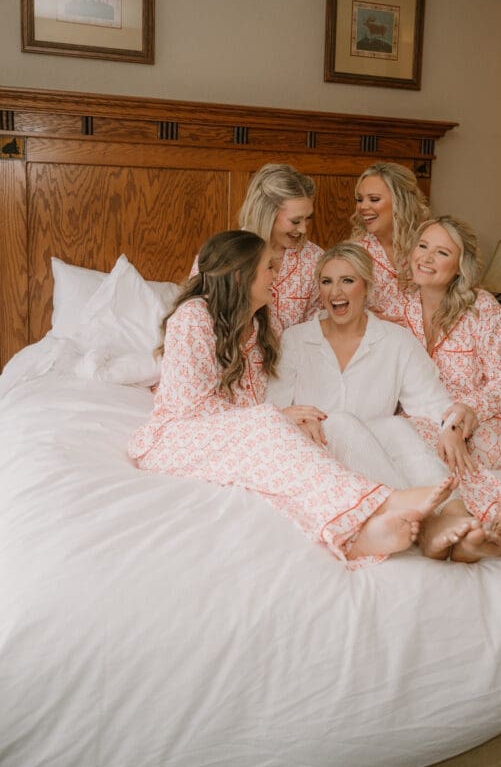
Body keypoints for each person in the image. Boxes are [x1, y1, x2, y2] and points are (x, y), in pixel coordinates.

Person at [128, 230, 455, 568]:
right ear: (241, 275)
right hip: (179, 437)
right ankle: (386, 501)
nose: (277, 275)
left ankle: (356, 537)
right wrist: (274, 418)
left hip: (239, 437)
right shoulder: (194, 316)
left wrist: (282, 420)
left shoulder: (262, 324)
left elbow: (260, 401)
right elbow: (190, 408)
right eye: (269, 268)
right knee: (273, 426)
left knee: (292, 463)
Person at [266, 241, 501, 563]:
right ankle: (427, 526)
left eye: (347, 280)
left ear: (367, 286)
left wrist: (453, 426)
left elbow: (433, 405)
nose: (335, 291)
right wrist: (295, 417)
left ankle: (456, 514)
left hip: (370, 454)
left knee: (396, 426)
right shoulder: (296, 339)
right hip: (318, 453)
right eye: (326, 281)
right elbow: (272, 410)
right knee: (339, 421)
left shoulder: (395, 341)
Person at [404, 216, 501, 474]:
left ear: (460, 266)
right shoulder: (400, 308)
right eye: (423, 246)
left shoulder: (485, 311)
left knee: (483, 447)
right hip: (425, 415)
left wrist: (465, 411)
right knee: (406, 444)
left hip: (482, 416)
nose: (426, 258)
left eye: (442, 252)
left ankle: (474, 494)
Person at [190, 164, 323, 331]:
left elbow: (320, 327)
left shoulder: (316, 259)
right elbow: (197, 319)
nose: (303, 229)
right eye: (295, 221)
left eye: (308, 218)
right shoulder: (222, 254)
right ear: (267, 213)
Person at [351, 161, 431, 322]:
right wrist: (364, 318)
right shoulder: (353, 254)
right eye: (359, 199)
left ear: (400, 201)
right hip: (379, 336)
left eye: (374, 199)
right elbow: (333, 307)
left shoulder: (430, 244)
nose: (362, 207)